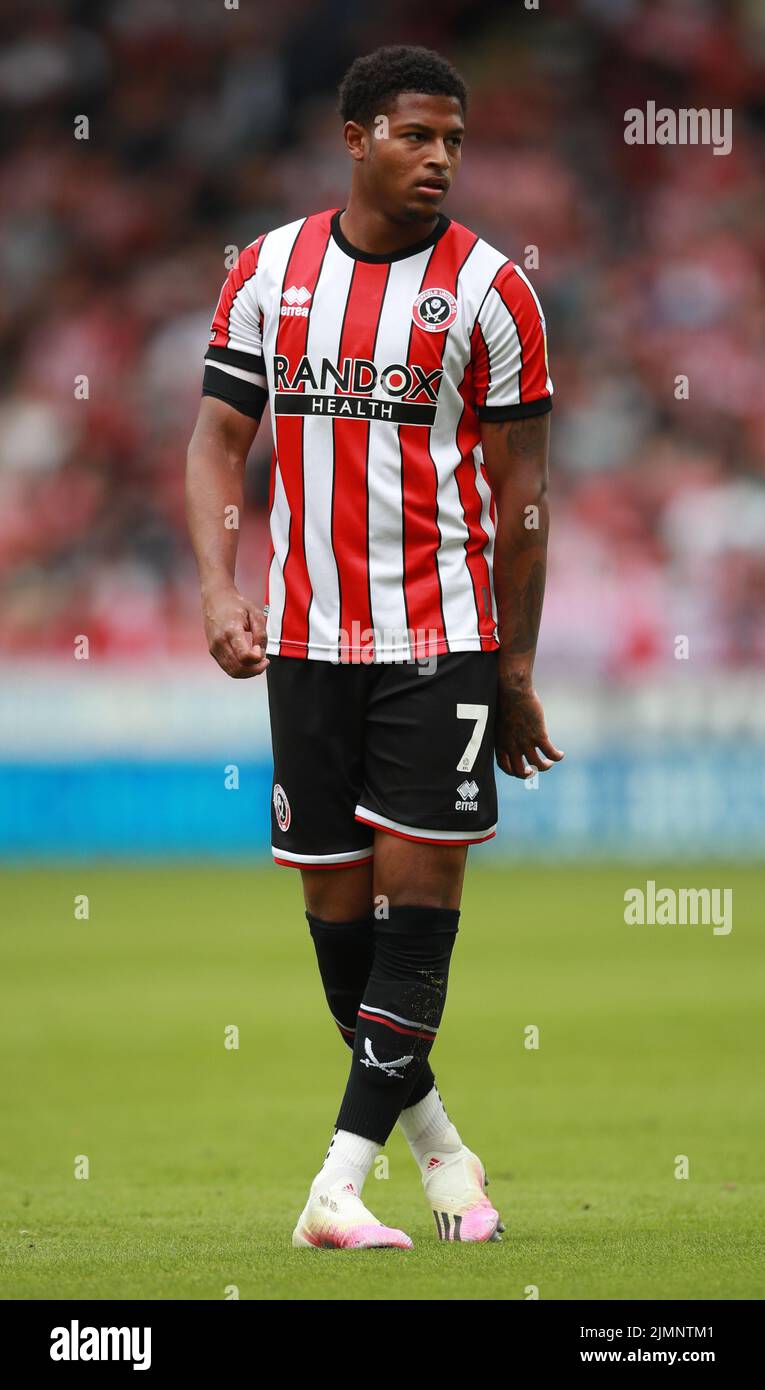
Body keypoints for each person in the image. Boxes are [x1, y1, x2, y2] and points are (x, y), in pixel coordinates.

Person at [186, 43, 563, 1249]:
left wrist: (511, 666)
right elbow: (215, 442)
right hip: (303, 640)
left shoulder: (497, 293)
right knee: (341, 928)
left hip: (438, 639)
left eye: (455, 139)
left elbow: (525, 498)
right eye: (417, 135)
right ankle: (445, 1158)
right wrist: (214, 586)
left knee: (420, 907)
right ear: (356, 138)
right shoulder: (266, 272)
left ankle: (335, 1190)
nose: (441, 158)